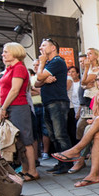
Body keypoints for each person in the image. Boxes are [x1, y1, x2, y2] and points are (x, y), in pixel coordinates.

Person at [0, 43, 38, 181]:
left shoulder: (19, 68)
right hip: (10, 107)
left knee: (26, 139)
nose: (3, 54)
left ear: (15, 52)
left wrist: (3, 107)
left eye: (5, 52)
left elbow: (15, 90)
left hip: (19, 107)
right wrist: (1, 106)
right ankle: (25, 168)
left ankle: (32, 170)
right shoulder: (10, 69)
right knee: (19, 140)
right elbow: (1, 91)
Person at [34, 38, 72, 174]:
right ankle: (60, 162)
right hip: (48, 102)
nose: (40, 48)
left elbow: (38, 77)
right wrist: (44, 79)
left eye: (43, 45)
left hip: (57, 102)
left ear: (53, 48)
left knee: (60, 134)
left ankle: (67, 163)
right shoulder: (49, 64)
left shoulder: (57, 61)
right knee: (53, 135)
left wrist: (42, 65)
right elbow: (36, 84)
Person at [66, 71, 99, 173]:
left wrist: (95, 120)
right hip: (98, 124)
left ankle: (80, 159)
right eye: (98, 80)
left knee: (88, 128)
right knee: (88, 128)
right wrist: (94, 119)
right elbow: (94, 114)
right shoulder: (95, 97)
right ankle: (97, 164)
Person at [67, 65, 81, 145]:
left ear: (77, 73)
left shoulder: (80, 83)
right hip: (71, 108)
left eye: (73, 72)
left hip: (79, 109)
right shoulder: (68, 82)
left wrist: (79, 111)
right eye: (69, 72)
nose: (71, 74)